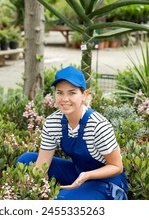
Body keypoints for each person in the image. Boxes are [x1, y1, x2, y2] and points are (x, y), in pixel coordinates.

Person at [17, 66, 128, 200]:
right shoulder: (53, 122)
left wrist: (87, 175)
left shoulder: (98, 125)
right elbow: (41, 166)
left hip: (107, 182)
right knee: (26, 160)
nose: (65, 99)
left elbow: (117, 166)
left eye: (72, 93)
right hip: (78, 173)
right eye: (60, 93)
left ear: (84, 95)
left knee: (63, 201)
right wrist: (30, 192)